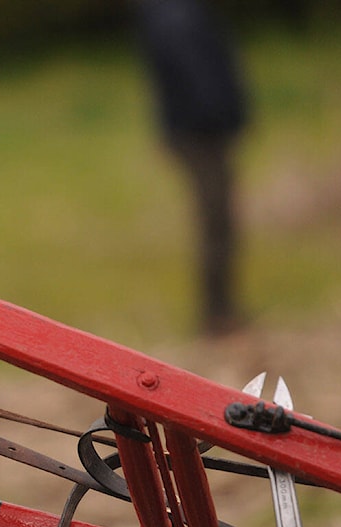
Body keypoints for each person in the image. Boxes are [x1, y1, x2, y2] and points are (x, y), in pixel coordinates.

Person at [133, 0, 250, 335]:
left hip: (197, 129)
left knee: (218, 220)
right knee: (216, 220)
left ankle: (221, 310)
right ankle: (217, 315)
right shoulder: (174, 13)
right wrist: (223, 120)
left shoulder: (175, 10)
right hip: (200, 132)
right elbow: (199, 77)